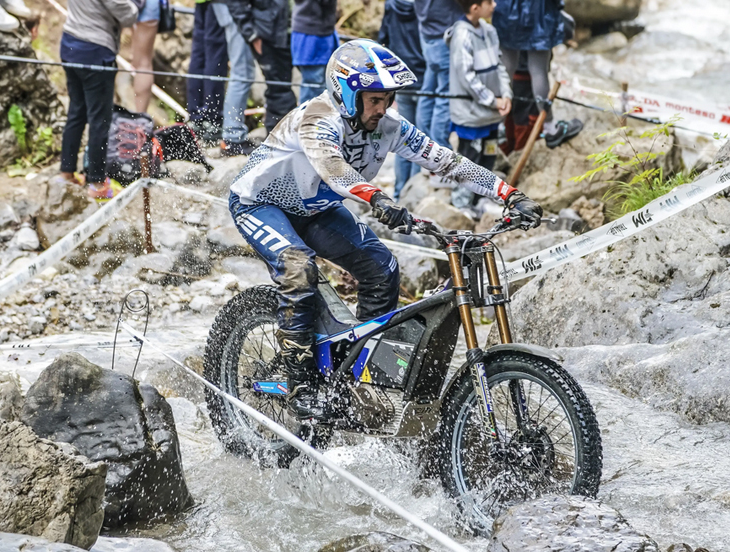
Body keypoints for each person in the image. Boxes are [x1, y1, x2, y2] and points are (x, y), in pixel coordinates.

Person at [227, 39, 543, 421]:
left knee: (383, 269)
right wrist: (377, 198)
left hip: (316, 209)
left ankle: (354, 374)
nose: (383, 108)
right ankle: (299, 384)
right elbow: (334, 168)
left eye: (388, 99)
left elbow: (446, 161)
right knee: (299, 268)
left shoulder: (390, 127)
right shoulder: (317, 120)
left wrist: (508, 193)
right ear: (347, 93)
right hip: (259, 205)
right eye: (374, 100)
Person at [58, 0, 138, 199]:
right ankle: (97, 182)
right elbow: (127, 14)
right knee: (99, 119)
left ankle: (66, 172)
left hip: (70, 42)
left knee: (77, 110)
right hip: (94, 50)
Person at [445, 0, 510, 211]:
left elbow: (500, 65)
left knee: (489, 154)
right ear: (475, 7)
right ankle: (462, 203)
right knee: (468, 159)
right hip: (471, 114)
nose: (494, 4)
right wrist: (493, 100)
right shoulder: (462, 35)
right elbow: (467, 77)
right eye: (489, 2)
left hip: (491, 114)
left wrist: (506, 95)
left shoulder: (490, 31)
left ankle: (482, 197)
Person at [493, 0, 582, 148]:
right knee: (538, 70)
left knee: (506, 67)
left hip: (506, 10)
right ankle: (550, 128)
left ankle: (498, 126)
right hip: (538, 12)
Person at [223, 0, 298, 136]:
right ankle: (280, 139)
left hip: (291, 31)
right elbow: (235, 4)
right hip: (268, 33)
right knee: (279, 89)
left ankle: (281, 137)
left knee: (282, 88)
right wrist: (251, 34)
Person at [378, 0, 426, 199]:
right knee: (419, 139)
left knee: (402, 138)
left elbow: (383, 38)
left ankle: (398, 193)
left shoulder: (391, 5)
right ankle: (412, 195)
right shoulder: (425, 6)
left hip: (400, 77)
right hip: (424, 78)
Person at [414, 0, 464, 153]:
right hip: (443, 35)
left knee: (428, 91)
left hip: (428, 32)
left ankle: (423, 147)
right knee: (445, 96)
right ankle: (440, 151)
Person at [210, 2, 257, 156]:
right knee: (242, 72)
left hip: (230, 8)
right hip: (235, 9)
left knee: (241, 71)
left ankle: (232, 134)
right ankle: (232, 136)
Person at [187, 0, 230, 142]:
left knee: (199, 55)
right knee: (215, 56)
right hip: (218, 4)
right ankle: (213, 119)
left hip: (201, 3)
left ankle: (196, 117)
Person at [291, 0, 339, 104]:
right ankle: (307, 118)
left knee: (328, 83)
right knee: (313, 85)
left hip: (323, 31)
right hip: (311, 34)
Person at [131, 0, 160, 114]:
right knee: (144, 64)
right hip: (147, 6)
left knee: (136, 61)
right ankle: (140, 115)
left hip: (120, 5)